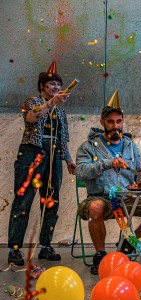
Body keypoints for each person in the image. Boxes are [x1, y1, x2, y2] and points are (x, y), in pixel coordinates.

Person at [75, 90, 141, 274]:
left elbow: (139, 174)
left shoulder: (130, 145)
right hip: (101, 197)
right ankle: (100, 254)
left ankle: (128, 241)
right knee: (95, 207)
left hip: (128, 198)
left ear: (123, 122)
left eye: (119, 121)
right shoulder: (88, 146)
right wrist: (107, 163)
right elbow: (80, 172)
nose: (115, 126)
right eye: (110, 122)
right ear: (102, 122)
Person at [8, 61, 76, 266]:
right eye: (51, 84)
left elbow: (62, 138)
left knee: (51, 201)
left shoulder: (60, 111)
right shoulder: (33, 101)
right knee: (23, 201)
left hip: (54, 155)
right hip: (32, 153)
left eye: (58, 84)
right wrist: (52, 102)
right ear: (42, 87)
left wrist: (69, 160)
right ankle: (14, 249)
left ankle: (45, 246)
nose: (55, 87)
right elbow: (31, 118)